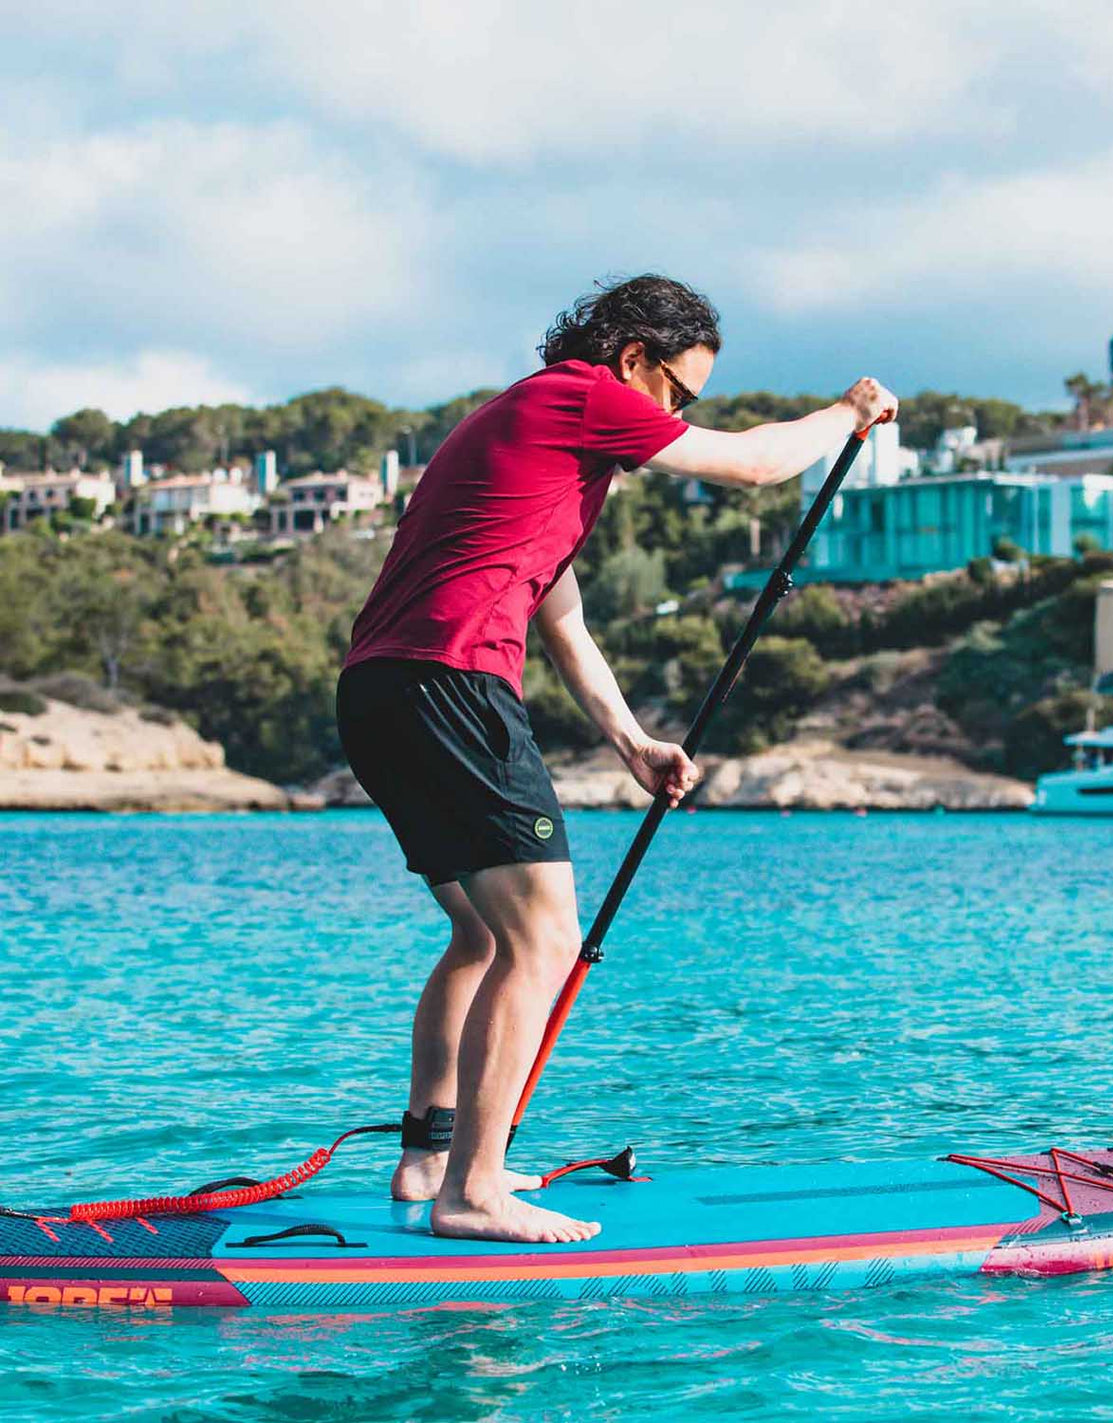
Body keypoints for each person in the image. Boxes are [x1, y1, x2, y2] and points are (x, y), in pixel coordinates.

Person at [336, 274, 897, 1244]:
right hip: (448, 682)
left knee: (480, 934)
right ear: (631, 357)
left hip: (383, 690)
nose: (676, 416)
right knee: (543, 938)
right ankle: (473, 1191)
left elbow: (560, 615)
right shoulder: (574, 396)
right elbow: (759, 466)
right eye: (676, 393)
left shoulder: (532, 438)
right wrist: (844, 411)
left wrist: (630, 739)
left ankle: (428, 1157)